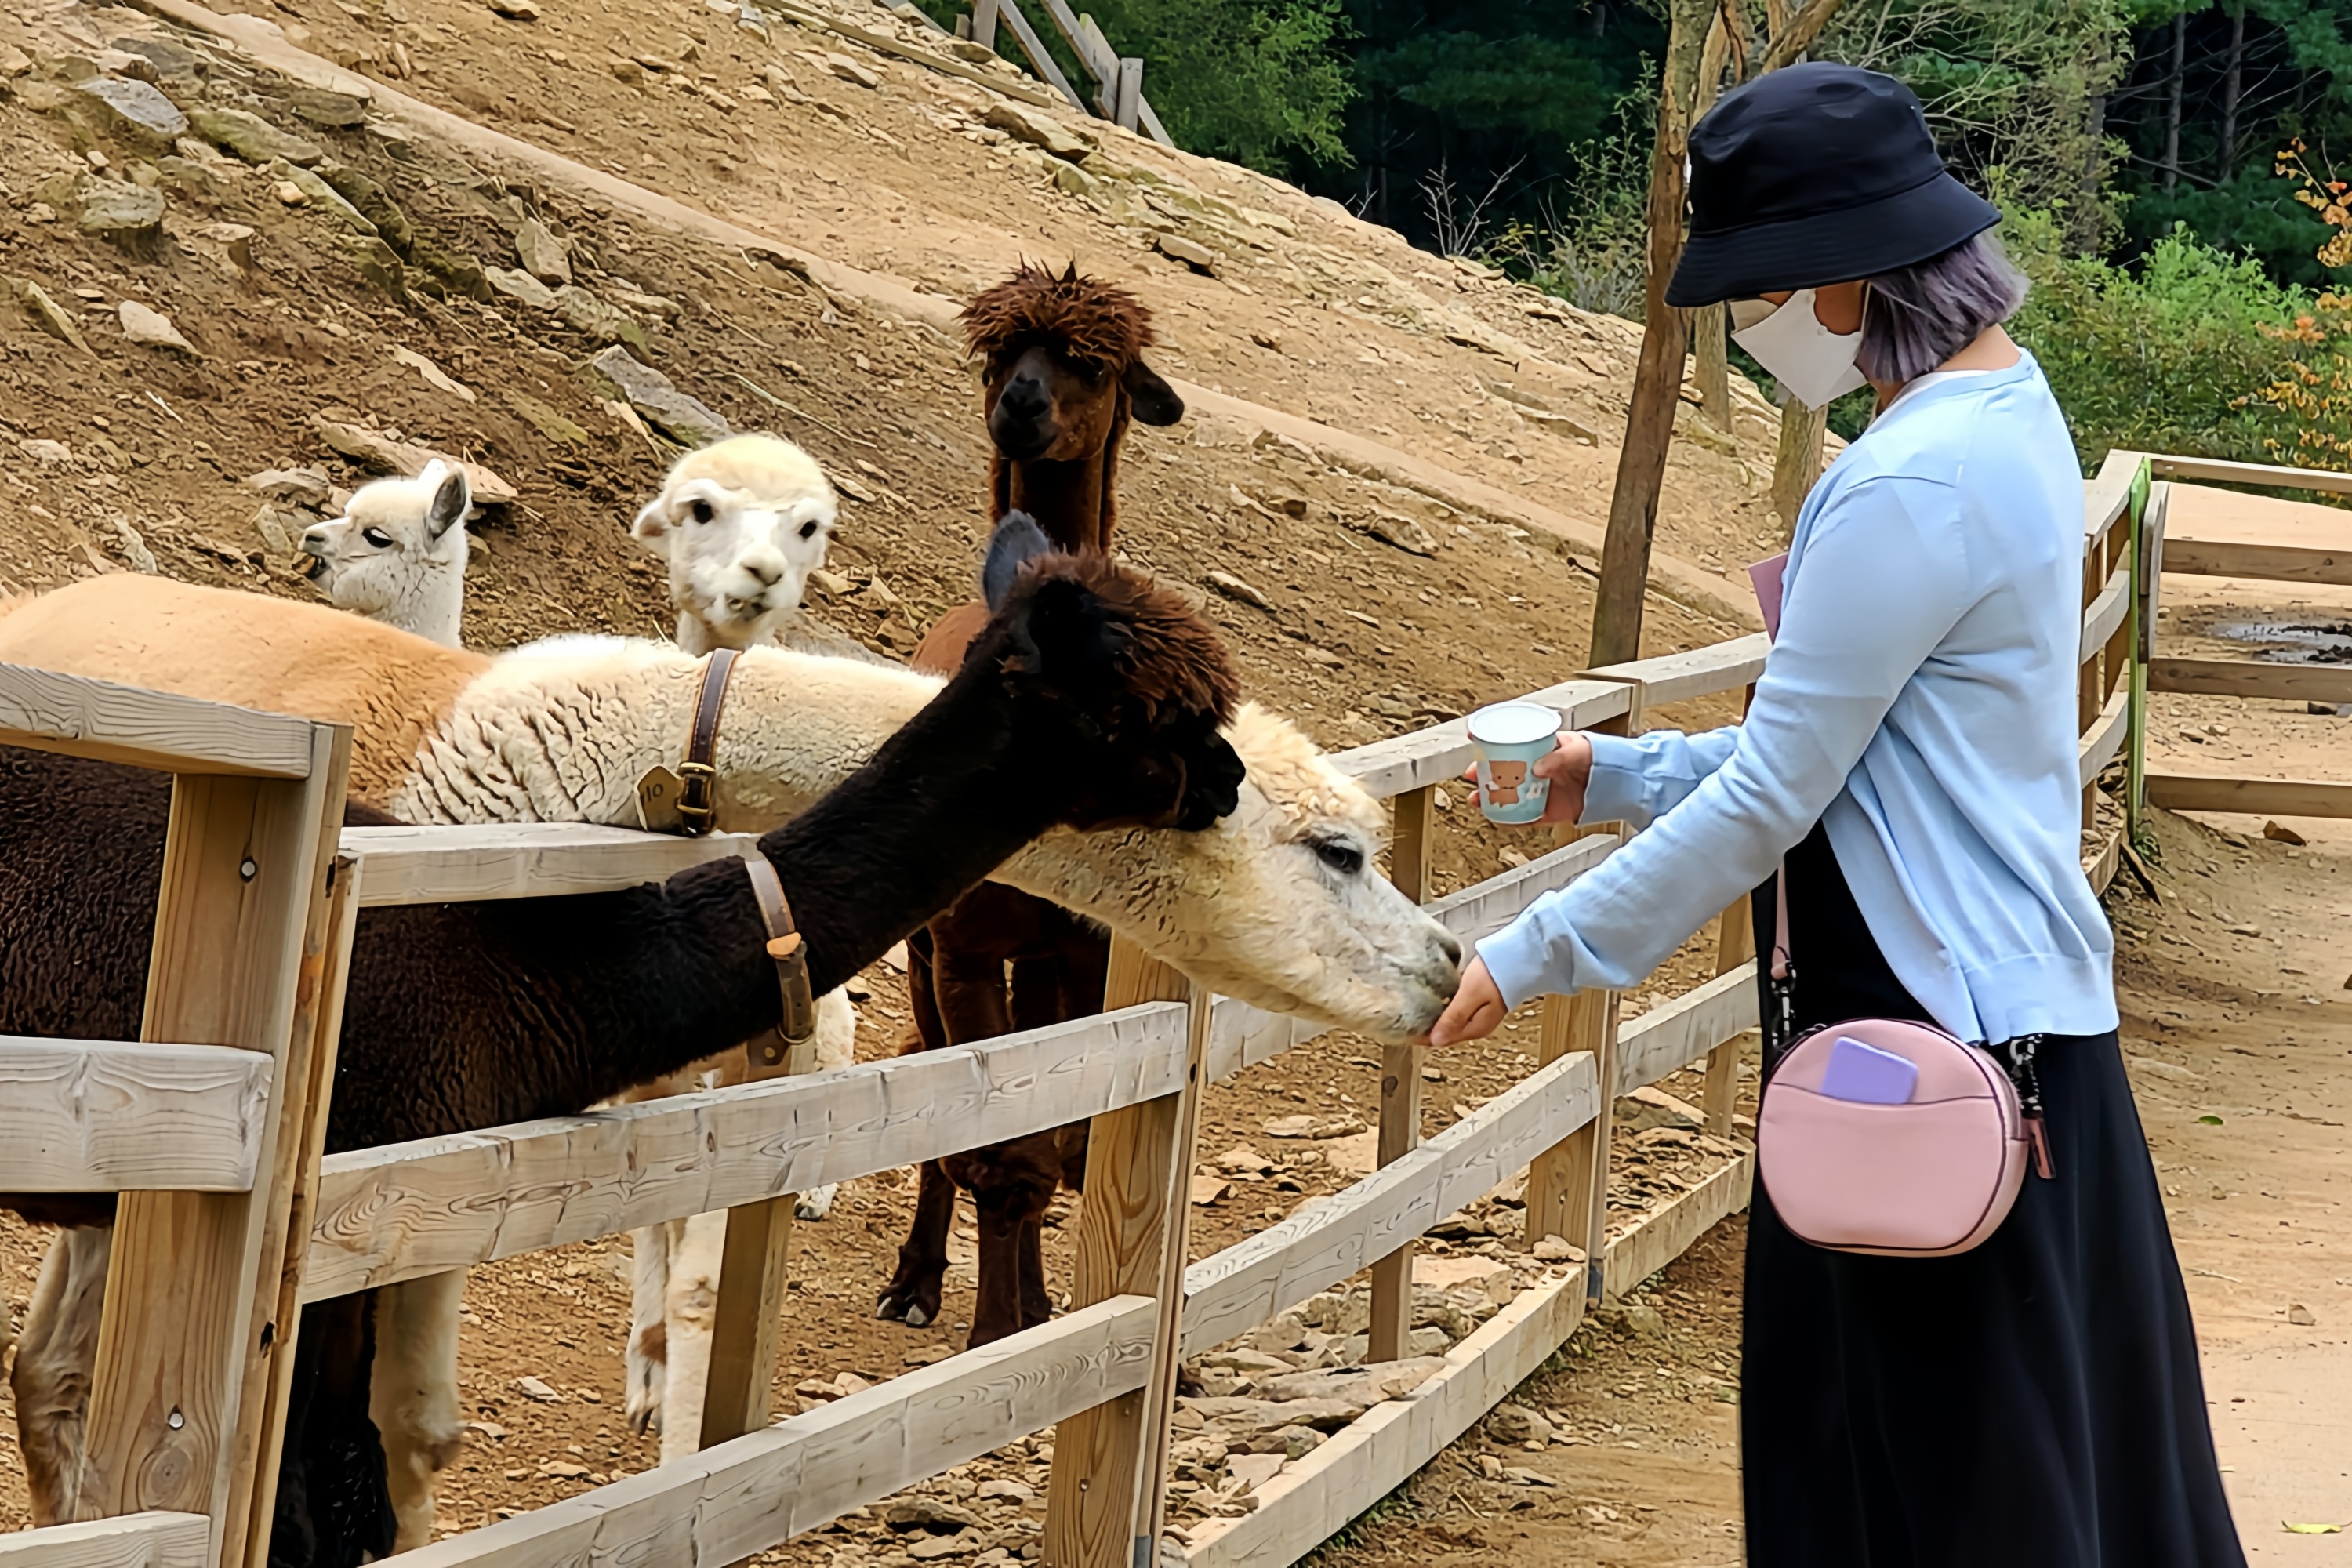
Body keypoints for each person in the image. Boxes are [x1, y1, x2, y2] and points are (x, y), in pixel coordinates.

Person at [1428, 62, 2246, 1568]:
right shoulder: (2010, 411)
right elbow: (1867, 763)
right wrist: (1598, 778)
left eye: (1765, 291)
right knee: (2039, 1449)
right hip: (2017, 1018)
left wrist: (1533, 951)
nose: (1754, 328)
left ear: (1853, 280)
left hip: (1916, 1026)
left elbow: (1776, 794)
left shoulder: (1905, 483)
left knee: (1928, 1470)